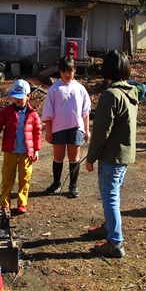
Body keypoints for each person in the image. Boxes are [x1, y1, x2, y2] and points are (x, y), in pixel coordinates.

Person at [85, 51, 138, 258]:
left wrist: (91, 158)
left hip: (112, 157)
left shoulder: (111, 94)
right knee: (112, 196)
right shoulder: (131, 91)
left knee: (110, 198)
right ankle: (108, 227)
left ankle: (115, 243)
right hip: (124, 155)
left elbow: (101, 130)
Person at [0, 79, 42, 216]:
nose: (16, 101)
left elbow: (37, 132)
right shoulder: (6, 112)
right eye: (14, 98)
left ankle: (22, 202)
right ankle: (4, 203)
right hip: (10, 150)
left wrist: (36, 149)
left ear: (28, 96)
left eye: (20, 98)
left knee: (25, 177)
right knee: (7, 177)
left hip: (27, 152)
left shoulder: (33, 114)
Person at [42, 56, 91, 198]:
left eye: (70, 71)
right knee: (58, 156)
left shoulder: (80, 89)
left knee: (73, 156)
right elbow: (48, 113)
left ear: (75, 70)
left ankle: (73, 185)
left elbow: (85, 111)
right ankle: (56, 183)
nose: (67, 74)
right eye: (64, 71)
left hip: (76, 128)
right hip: (58, 128)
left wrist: (87, 130)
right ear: (60, 72)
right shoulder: (54, 89)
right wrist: (48, 131)